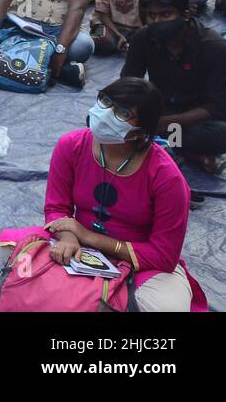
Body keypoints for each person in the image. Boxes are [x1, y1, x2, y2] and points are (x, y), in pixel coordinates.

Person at [38, 79, 207, 310]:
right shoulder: (71, 145)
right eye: (106, 101)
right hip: (78, 246)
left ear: (140, 133)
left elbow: (163, 255)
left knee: (168, 308)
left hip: (141, 262)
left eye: (123, 113)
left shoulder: (168, 179)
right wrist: (69, 239)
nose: (106, 113)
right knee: (11, 252)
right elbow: (56, 208)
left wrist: (88, 236)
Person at [122, 0, 226, 173]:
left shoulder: (213, 46)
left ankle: (161, 144)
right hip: (161, 111)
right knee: (107, 118)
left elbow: (216, 107)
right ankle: (183, 151)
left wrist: (163, 124)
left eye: (165, 14)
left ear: (186, 15)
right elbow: (128, 83)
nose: (157, 22)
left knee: (220, 134)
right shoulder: (143, 38)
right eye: (151, 16)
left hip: (196, 119)